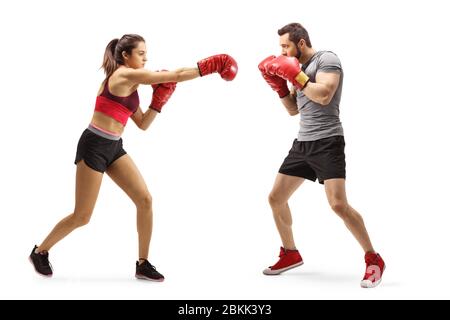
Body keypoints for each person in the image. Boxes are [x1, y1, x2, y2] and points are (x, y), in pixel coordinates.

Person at [29, 34, 238, 281]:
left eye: (146, 53)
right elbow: (177, 74)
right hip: (93, 146)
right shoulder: (123, 75)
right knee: (82, 216)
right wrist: (211, 66)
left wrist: (159, 102)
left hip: (114, 147)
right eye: (141, 53)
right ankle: (40, 251)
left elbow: (142, 124)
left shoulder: (132, 86)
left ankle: (143, 263)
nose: (146, 58)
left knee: (145, 200)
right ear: (125, 56)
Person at [258, 23, 385, 288]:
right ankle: (290, 253)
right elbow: (294, 110)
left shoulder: (326, 59)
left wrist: (297, 77)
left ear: (300, 43)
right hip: (303, 144)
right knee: (276, 198)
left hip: (328, 142)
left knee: (338, 204)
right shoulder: (298, 70)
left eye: (285, 46)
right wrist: (280, 86)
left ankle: (374, 259)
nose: (281, 51)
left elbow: (325, 95)